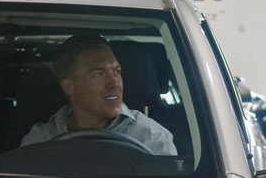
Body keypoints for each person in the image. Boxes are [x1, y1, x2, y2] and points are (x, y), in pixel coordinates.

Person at [21, 35, 177, 155]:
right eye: (98, 74)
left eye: (117, 72)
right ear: (69, 86)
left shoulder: (151, 138)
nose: (114, 83)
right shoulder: (41, 139)